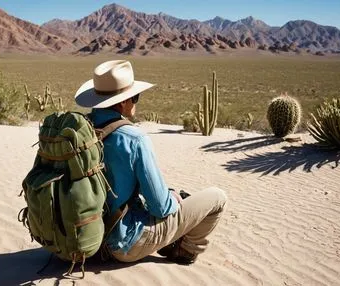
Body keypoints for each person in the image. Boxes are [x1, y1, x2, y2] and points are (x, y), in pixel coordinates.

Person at [74, 60, 227, 264]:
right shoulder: (134, 139)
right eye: (135, 97)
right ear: (122, 102)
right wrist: (173, 198)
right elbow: (160, 208)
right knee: (217, 198)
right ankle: (185, 250)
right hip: (122, 243)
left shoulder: (78, 133)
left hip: (80, 238)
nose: (136, 102)